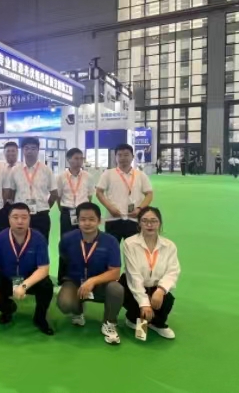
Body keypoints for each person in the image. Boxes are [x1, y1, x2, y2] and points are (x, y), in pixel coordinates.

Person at [56, 202, 124, 345]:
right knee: (64, 303)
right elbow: (64, 258)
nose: (87, 223)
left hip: (101, 285)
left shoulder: (110, 241)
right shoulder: (67, 239)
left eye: (92, 219)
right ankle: (78, 311)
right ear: (77, 220)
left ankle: (109, 322)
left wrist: (92, 281)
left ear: (99, 221)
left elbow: (115, 272)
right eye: (83, 219)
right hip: (75, 281)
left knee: (116, 289)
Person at [0, 203, 54, 335]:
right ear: (9, 219)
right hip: (6, 278)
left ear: (29, 219)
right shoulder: (0, 238)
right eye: (15, 217)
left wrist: (24, 285)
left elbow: (43, 268)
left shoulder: (39, 238)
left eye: (24, 217)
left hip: (28, 279)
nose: (20, 221)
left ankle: (40, 317)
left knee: (46, 286)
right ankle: (8, 309)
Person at [121, 207, 180, 339]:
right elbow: (133, 275)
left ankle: (157, 324)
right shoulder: (130, 243)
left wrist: (161, 290)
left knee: (167, 300)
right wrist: (144, 303)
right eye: (145, 221)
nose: (149, 224)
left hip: (156, 287)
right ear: (139, 223)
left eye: (154, 221)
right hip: (133, 286)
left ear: (160, 223)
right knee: (138, 306)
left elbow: (173, 271)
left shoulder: (169, 246)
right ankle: (132, 318)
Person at [96, 143, 153, 243]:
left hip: (134, 218)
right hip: (113, 218)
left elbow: (149, 194)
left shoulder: (141, 175)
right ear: (115, 157)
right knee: (112, 249)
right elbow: (99, 192)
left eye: (126, 155)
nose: (123, 158)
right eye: (120, 155)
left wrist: (139, 209)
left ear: (132, 157)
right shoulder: (108, 174)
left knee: (134, 249)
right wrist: (110, 208)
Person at [5, 137, 58, 242]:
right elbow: (11, 193)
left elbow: (54, 193)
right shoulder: (15, 170)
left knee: (41, 243)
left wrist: (45, 206)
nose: (29, 151)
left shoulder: (46, 170)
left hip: (41, 214)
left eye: (33, 148)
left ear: (38, 150)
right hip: (21, 215)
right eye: (27, 148)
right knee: (20, 243)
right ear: (22, 150)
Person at [57, 147, 95, 283]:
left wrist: (85, 212)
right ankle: (63, 276)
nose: (79, 161)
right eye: (75, 158)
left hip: (83, 213)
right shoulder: (61, 177)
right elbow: (58, 197)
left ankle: (83, 274)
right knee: (66, 243)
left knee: (84, 243)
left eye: (81, 158)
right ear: (68, 159)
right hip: (67, 212)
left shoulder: (88, 177)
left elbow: (89, 196)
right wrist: (64, 210)